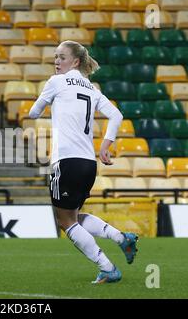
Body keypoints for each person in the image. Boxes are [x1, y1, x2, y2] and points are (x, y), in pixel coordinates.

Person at [29, 40, 138, 284]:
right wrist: (105, 145)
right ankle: (122, 238)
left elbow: (33, 113)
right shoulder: (91, 87)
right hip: (89, 162)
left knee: (65, 221)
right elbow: (116, 115)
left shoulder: (56, 81)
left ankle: (108, 267)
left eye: (62, 57)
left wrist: (47, 103)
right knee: (74, 216)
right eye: (55, 56)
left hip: (66, 161)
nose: (57, 61)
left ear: (75, 61)